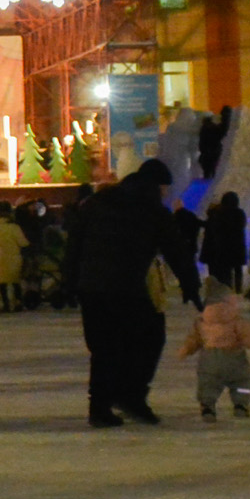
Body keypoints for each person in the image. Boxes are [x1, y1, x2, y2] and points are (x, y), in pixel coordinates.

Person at [63, 159, 175, 426]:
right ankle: (131, 396)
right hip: (127, 288)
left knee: (104, 348)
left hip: (92, 289)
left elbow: (74, 245)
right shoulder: (151, 209)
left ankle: (101, 407)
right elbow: (176, 249)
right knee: (149, 337)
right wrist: (192, 286)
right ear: (157, 185)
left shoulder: (96, 203)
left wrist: (69, 283)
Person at [177, 277, 250, 420]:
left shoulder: (202, 321)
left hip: (210, 359)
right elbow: (249, 338)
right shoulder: (236, 321)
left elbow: (194, 340)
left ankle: (207, 407)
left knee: (208, 384)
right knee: (242, 382)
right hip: (235, 358)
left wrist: (185, 350)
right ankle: (240, 404)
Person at [202, 191, 249, 295]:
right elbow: (242, 226)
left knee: (225, 271)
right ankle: (238, 289)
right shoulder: (240, 213)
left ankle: (227, 289)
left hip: (224, 247)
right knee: (238, 270)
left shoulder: (219, 213)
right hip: (237, 247)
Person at [0, 203, 29, 313]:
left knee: (2, 282)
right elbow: (22, 242)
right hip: (13, 256)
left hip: (0, 256)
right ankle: (18, 303)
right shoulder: (14, 227)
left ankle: (5, 303)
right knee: (15, 281)